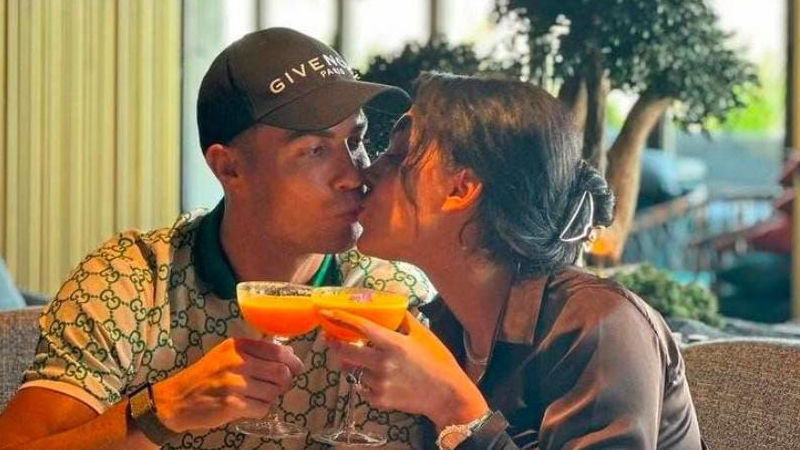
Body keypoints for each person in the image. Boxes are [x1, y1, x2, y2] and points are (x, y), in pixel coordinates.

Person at [0, 28, 434, 450]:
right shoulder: (130, 282)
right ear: (229, 168)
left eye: (355, 140)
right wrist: (162, 411)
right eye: (314, 151)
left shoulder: (385, 297)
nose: (353, 175)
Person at [324, 73, 705, 450]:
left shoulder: (597, 327)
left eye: (396, 156)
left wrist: (454, 407)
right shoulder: (443, 327)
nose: (365, 173)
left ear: (460, 189)